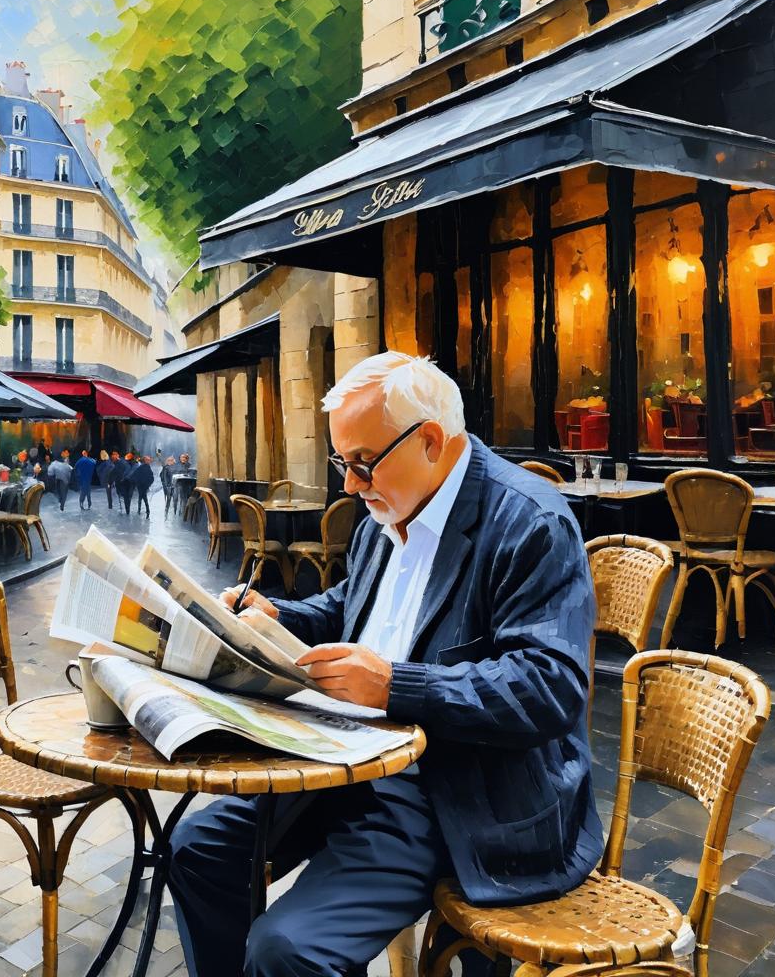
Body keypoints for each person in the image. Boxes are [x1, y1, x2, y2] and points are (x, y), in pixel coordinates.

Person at [167, 352, 601, 977]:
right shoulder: (384, 511)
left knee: (286, 950)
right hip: (342, 759)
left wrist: (395, 685)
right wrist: (277, 617)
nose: (349, 483)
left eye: (362, 462)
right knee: (194, 851)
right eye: (342, 462)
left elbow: (549, 686)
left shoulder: (528, 520)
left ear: (429, 440)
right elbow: (351, 607)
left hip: (455, 791)